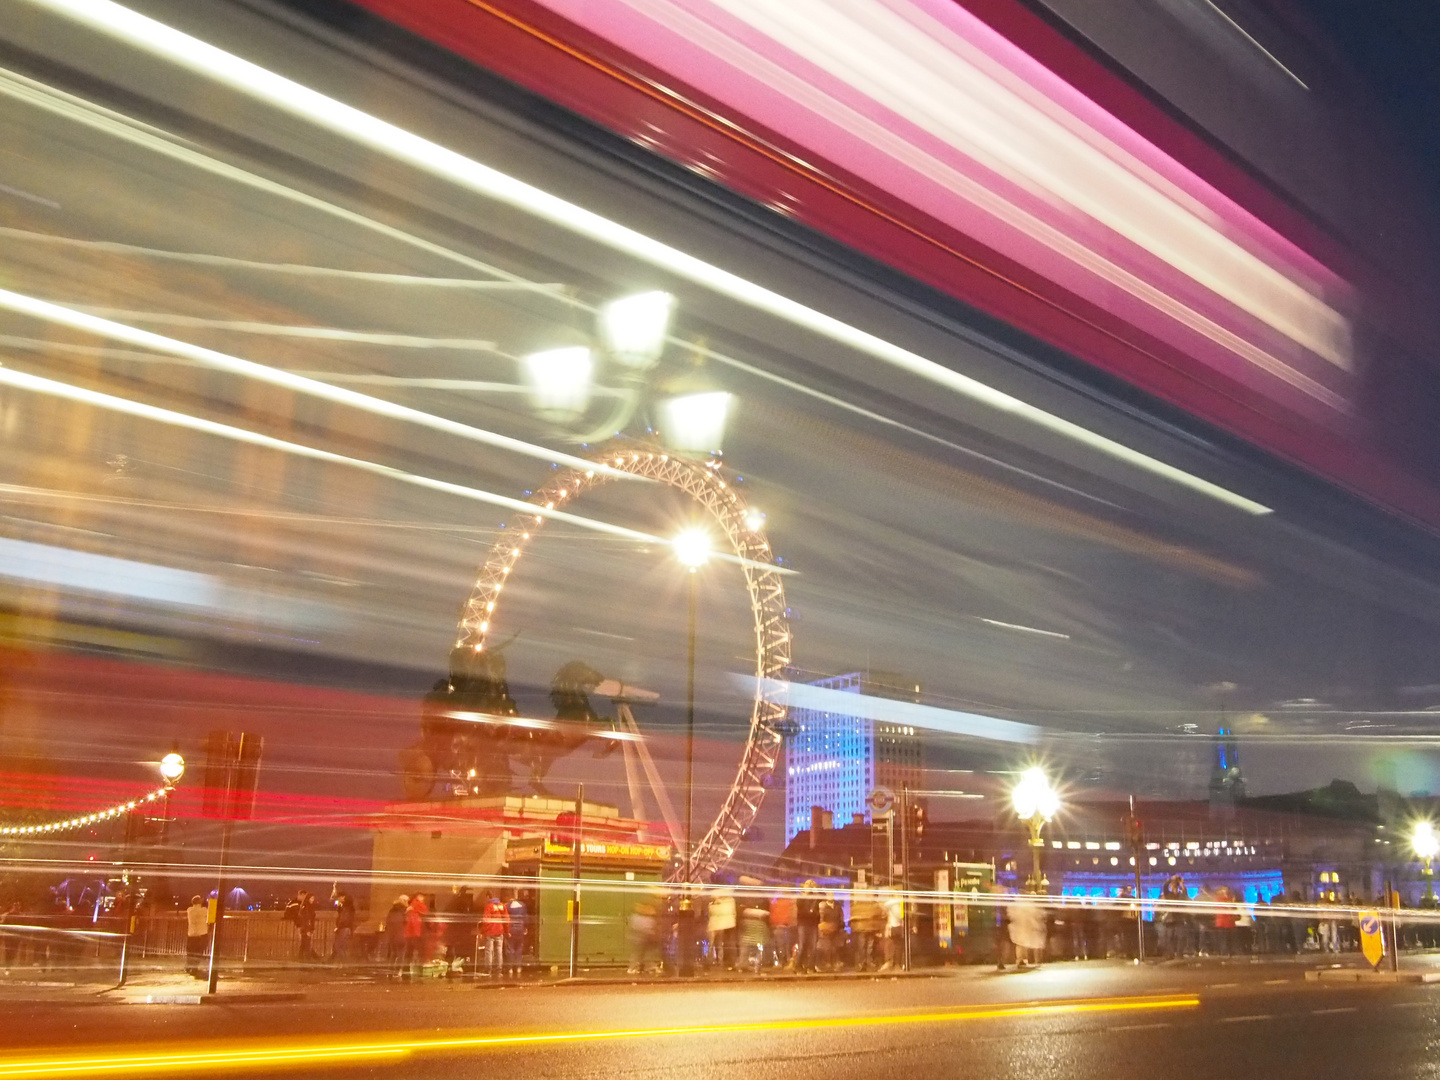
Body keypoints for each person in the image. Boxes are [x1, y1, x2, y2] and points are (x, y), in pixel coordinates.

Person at [1008, 891, 1047, 968]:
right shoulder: (1030, 905)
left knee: (1021, 945)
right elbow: (1038, 915)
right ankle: (1035, 961)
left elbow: (1012, 915)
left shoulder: (1018, 905)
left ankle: (1021, 960)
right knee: (1034, 944)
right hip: (1028, 928)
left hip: (1021, 928)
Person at [849, 889, 883, 971]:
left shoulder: (862, 904)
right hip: (865, 928)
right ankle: (864, 962)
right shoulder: (873, 905)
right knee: (864, 946)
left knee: (866, 946)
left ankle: (865, 962)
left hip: (867, 928)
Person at [444, 886, 475, 976]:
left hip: (456, 928)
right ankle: (454, 965)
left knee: (453, 947)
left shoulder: (455, 900)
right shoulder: (464, 901)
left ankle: (451, 965)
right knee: (457, 948)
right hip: (461, 929)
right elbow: (466, 914)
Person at [707, 885, 736, 970]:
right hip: (728, 924)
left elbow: (711, 913)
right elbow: (733, 913)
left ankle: (710, 961)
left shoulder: (712, 903)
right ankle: (723, 961)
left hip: (714, 925)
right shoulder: (731, 901)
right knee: (724, 944)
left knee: (713, 945)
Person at [480, 892, 508, 977]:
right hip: (500, 931)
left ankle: (488, 970)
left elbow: (486, 920)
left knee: (489, 951)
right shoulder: (502, 906)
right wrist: (507, 931)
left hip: (490, 932)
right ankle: (499, 970)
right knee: (499, 951)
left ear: (488, 897)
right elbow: (506, 919)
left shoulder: (489, 906)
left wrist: (482, 932)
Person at [795, 881, 821, 973]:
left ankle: (811, 966)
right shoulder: (801, 897)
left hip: (813, 924)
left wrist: (816, 892)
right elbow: (800, 908)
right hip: (803, 923)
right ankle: (798, 965)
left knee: (813, 946)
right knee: (802, 945)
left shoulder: (815, 897)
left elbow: (823, 898)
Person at [402, 893, 428, 980]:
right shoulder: (417, 906)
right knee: (420, 953)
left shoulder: (411, 908)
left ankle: (406, 970)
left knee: (409, 953)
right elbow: (425, 911)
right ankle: (419, 971)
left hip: (409, 934)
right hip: (415, 934)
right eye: (422, 898)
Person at [769, 889, 796, 970]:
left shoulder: (776, 902)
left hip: (780, 926)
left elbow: (773, 913)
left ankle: (782, 962)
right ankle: (787, 961)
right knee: (786, 946)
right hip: (787, 926)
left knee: (780, 946)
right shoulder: (790, 902)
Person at [879, 886, 903, 972]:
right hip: (899, 926)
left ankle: (890, 963)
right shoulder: (901, 902)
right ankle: (896, 964)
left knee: (890, 945)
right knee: (898, 946)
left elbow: (882, 906)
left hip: (893, 926)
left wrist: (885, 911)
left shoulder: (892, 902)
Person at [383, 895, 408, 976]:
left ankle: (390, 970)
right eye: (407, 901)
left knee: (393, 953)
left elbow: (388, 922)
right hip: (401, 934)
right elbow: (405, 922)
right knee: (401, 954)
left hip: (392, 935)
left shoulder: (392, 910)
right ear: (403, 901)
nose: (408, 903)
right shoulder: (403, 911)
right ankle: (398, 971)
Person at [185, 895, 209, 978]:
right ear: (199, 902)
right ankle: (194, 968)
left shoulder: (189, 910)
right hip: (201, 934)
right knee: (198, 952)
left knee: (190, 952)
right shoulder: (204, 910)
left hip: (191, 934)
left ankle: (189, 967)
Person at [505, 893, 527, 978]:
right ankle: (518, 967)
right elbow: (525, 917)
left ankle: (510, 968)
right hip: (520, 929)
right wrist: (525, 927)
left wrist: (507, 931)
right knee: (519, 948)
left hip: (512, 929)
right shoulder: (522, 905)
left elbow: (506, 918)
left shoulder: (507, 906)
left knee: (510, 949)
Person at [331, 888, 355, 963]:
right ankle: (344, 963)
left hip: (343, 928)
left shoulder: (346, 907)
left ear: (343, 897)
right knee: (343, 947)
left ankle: (344, 963)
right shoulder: (348, 906)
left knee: (338, 946)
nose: (338, 899)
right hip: (346, 928)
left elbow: (343, 918)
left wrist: (338, 927)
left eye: (339, 897)